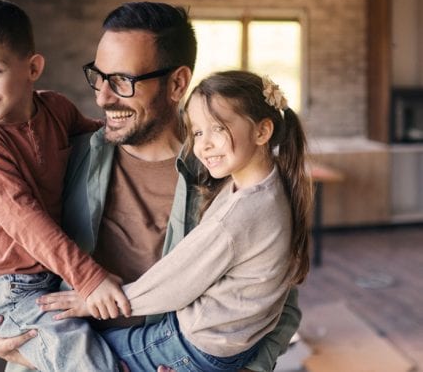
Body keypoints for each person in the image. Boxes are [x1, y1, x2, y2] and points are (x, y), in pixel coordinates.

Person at [0, 1, 303, 372]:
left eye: (121, 81)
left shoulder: (226, 176)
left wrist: (246, 370)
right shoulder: (66, 154)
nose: (102, 96)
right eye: (98, 77)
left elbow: (278, 299)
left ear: (177, 83)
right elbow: (6, 254)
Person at [39, 70, 313, 372]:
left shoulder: (239, 216)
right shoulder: (266, 187)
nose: (203, 145)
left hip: (195, 345)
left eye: (218, 129)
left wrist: (92, 302)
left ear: (262, 132)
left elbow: (176, 282)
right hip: (226, 345)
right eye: (197, 132)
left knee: (74, 353)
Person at [0, 0, 131, 372]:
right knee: (78, 354)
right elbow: (24, 220)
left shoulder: (56, 109)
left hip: (46, 274)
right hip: (1, 285)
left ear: (33, 68)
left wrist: (129, 127)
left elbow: (98, 139)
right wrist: (89, 278)